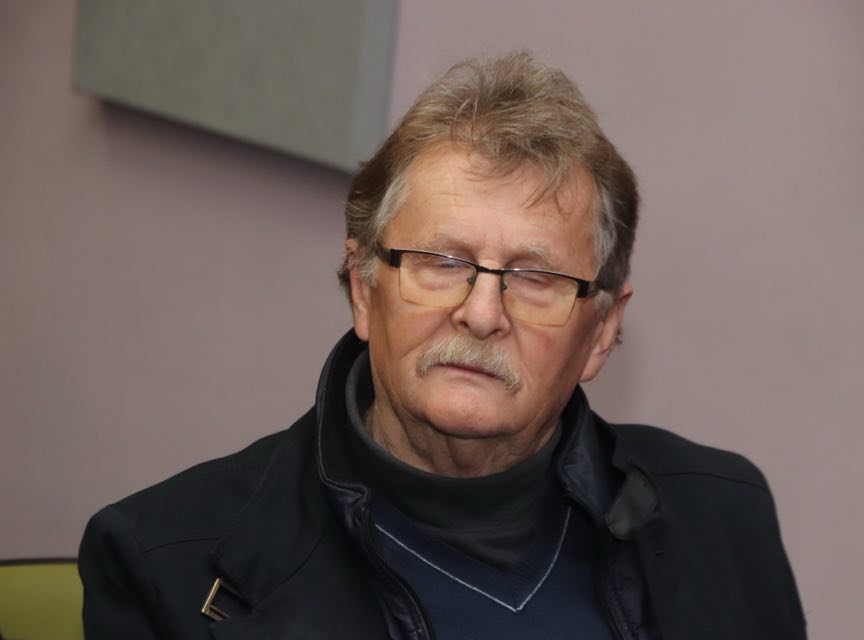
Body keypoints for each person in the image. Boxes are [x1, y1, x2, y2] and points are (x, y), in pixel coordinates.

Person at [79, 52, 806, 639]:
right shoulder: (164, 563)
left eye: (536, 277)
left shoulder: (724, 514)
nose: (482, 313)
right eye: (442, 262)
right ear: (366, 290)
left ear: (602, 331)